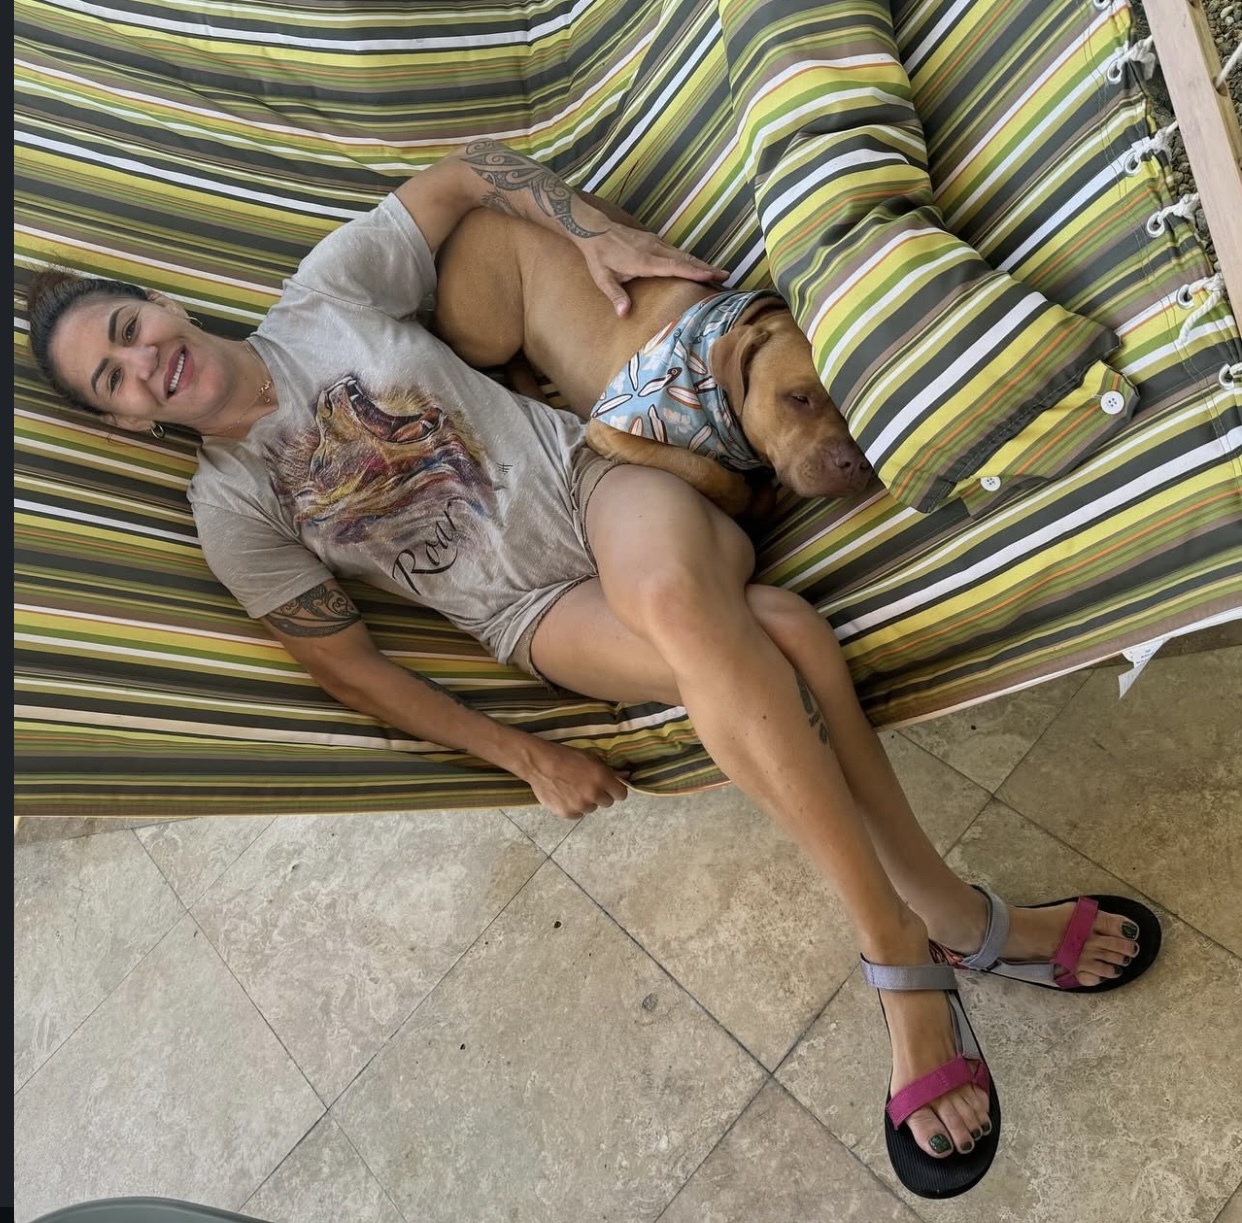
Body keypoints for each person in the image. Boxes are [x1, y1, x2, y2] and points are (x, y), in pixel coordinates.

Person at [24, 139, 1160, 1199]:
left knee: (680, 604)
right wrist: (522, 754)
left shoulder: (327, 295)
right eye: (113, 381)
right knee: (786, 638)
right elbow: (352, 669)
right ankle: (953, 913)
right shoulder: (230, 510)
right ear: (124, 425)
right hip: (535, 612)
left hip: (598, 486)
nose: (144, 363)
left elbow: (465, 173)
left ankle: (899, 948)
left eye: (128, 328)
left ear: (161, 302)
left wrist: (595, 234)